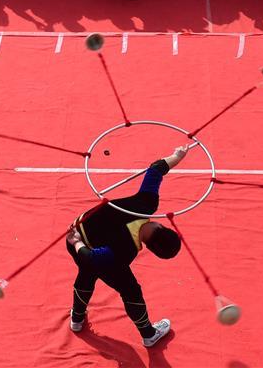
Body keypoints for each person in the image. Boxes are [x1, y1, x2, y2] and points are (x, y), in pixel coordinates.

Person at [66, 144, 188, 346]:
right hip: (84, 246)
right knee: (130, 290)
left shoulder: (146, 205)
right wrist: (78, 243)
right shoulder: (126, 252)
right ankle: (148, 334)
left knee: (87, 271)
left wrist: (178, 156)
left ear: (161, 226)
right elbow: (93, 258)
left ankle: (77, 319)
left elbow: (156, 169)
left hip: (78, 238)